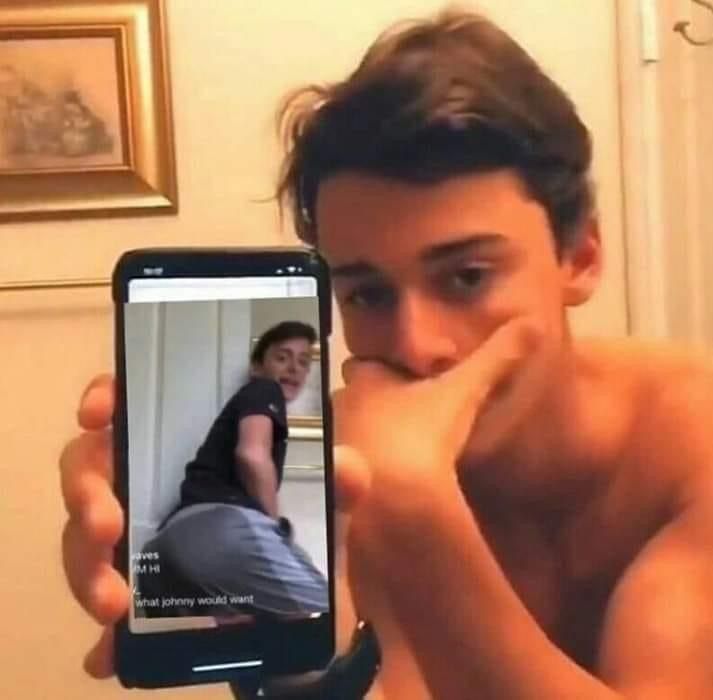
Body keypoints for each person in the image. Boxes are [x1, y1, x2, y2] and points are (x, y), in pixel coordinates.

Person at [60, 8, 713, 699]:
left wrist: (416, 512)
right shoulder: (346, 472)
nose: (416, 347)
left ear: (579, 256)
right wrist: (297, 639)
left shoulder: (688, 440)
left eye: (467, 277)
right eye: (368, 294)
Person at [136, 320, 328, 619]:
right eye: (282, 357)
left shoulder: (247, 402)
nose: (294, 368)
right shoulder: (264, 389)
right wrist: (276, 527)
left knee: (226, 640)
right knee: (330, 615)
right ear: (257, 367)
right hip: (218, 533)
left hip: (162, 552)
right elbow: (252, 454)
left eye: (304, 362)